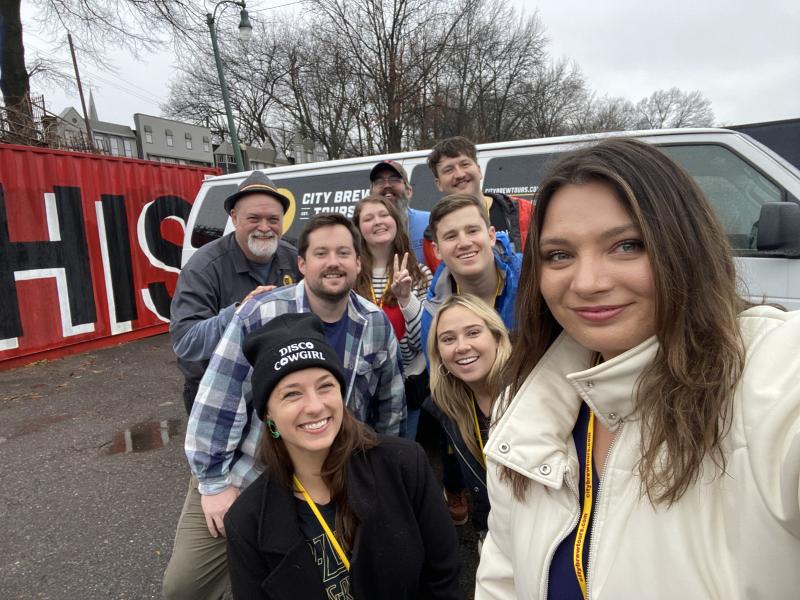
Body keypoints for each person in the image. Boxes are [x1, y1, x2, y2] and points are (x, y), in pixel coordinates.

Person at [476, 138, 800, 599]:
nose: (588, 282)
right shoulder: (524, 407)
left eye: (627, 245)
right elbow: (502, 580)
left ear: (684, 246)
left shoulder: (771, 372)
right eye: (559, 255)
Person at [163, 212, 406, 600]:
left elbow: (389, 410)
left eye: (344, 252)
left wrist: (386, 479)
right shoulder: (261, 315)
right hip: (248, 469)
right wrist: (213, 483)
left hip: (332, 475)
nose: (333, 262)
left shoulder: (375, 324)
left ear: (357, 264)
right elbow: (218, 401)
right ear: (302, 263)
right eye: (321, 252)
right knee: (184, 588)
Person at [224, 312, 462, 599]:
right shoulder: (247, 521)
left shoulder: (405, 465)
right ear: (268, 416)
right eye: (292, 394)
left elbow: (443, 576)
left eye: (325, 386)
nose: (314, 406)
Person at [421, 193, 521, 526]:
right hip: (480, 450)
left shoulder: (533, 282)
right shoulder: (433, 311)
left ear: (491, 235)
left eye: (472, 231)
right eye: (450, 236)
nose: (463, 243)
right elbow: (446, 381)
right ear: (437, 250)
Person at [169, 171, 300, 413]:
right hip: (219, 393)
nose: (264, 227)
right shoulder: (204, 267)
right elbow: (185, 342)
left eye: (273, 219)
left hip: (279, 388)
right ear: (234, 218)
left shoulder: (292, 258)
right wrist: (239, 315)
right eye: (254, 218)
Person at [426, 294, 510, 545]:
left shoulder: (531, 390)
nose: (461, 346)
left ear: (496, 336)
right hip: (492, 530)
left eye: (473, 333)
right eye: (448, 339)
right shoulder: (448, 406)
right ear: (439, 353)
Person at [352, 194, 432, 439]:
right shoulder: (350, 277)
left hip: (407, 389)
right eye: (368, 218)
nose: (377, 221)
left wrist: (406, 299)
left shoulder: (421, 275)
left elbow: (423, 343)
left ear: (396, 222)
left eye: (384, 215)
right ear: (358, 229)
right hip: (361, 389)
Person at [425, 136, 532, 268]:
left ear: (479, 171)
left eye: (465, 164)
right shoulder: (432, 237)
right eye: (449, 170)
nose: (459, 174)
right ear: (439, 184)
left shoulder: (524, 212)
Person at [369, 159, 430, 263]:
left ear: (409, 191)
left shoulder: (430, 222)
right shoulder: (364, 231)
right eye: (379, 181)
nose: (387, 185)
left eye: (394, 179)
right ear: (371, 194)